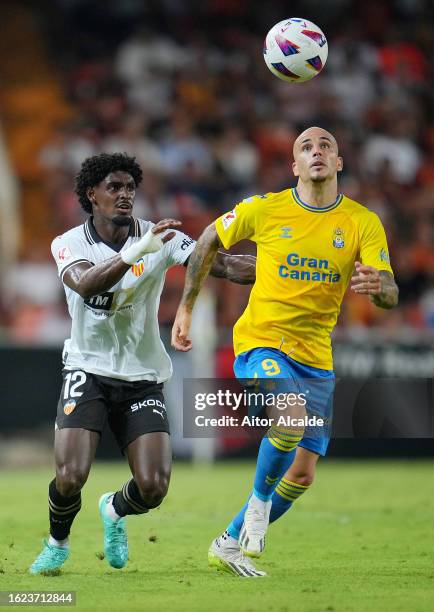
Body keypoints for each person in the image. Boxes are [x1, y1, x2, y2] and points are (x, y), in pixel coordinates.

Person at [172, 126, 399, 578]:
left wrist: (380, 287)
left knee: (301, 476)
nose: (316, 151)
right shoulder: (265, 208)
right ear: (294, 165)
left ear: (338, 163)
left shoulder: (362, 222)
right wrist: (185, 308)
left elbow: (390, 290)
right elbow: (206, 243)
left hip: (316, 356)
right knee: (290, 416)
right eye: (306, 147)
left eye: (326, 146)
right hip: (262, 340)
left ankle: (228, 542)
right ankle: (257, 507)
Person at [29, 152, 256, 574]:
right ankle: (58, 542)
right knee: (70, 475)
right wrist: (137, 251)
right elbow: (84, 283)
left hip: (143, 376)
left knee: (153, 487)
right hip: (87, 369)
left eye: (130, 188)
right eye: (114, 187)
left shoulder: (160, 237)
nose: (125, 195)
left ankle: (113, 511)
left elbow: (220, 264)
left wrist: (284, 269)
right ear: (91, 194)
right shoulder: (69, 243)